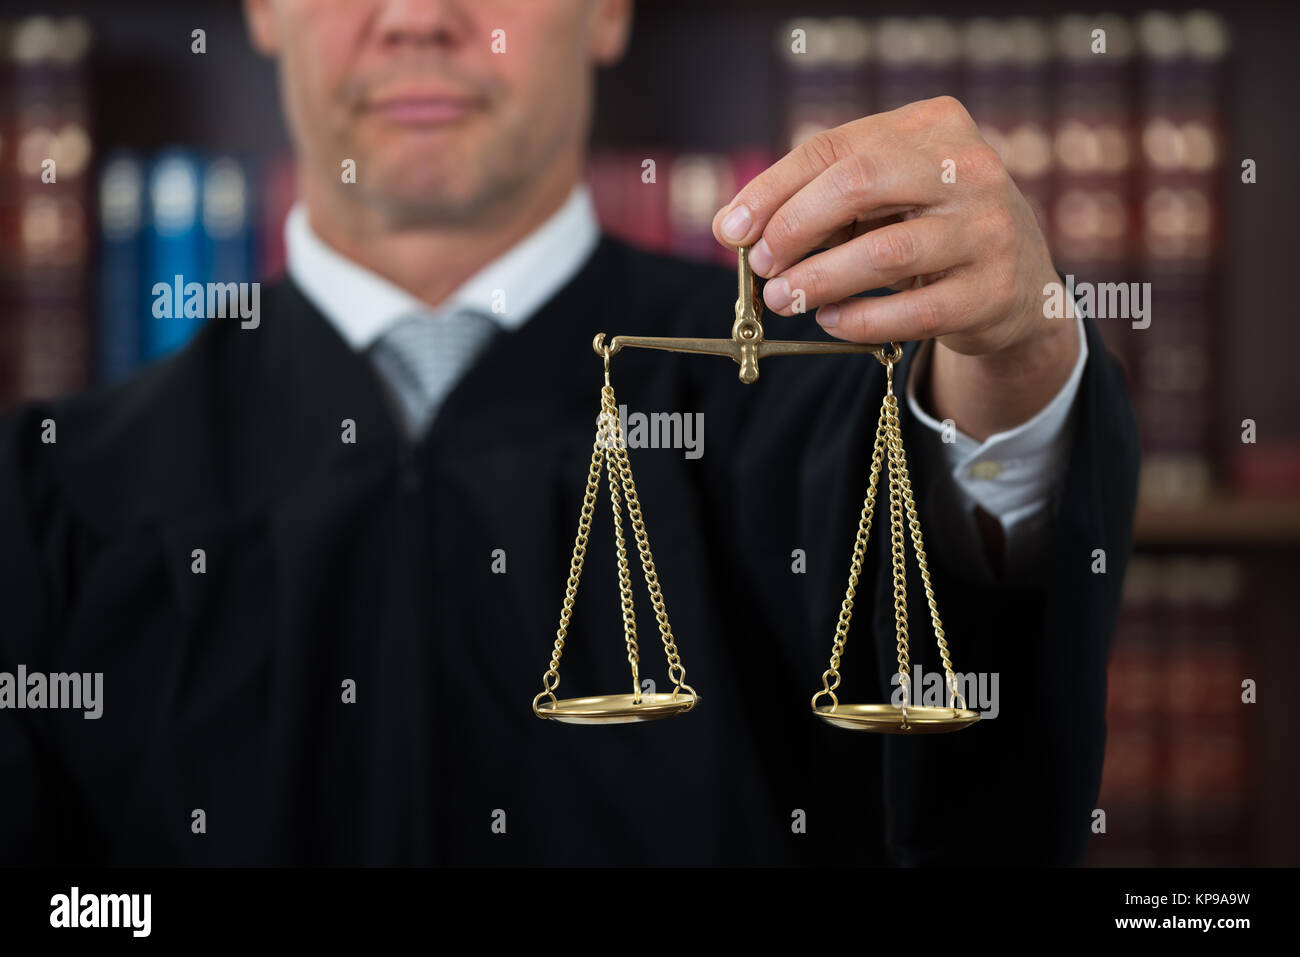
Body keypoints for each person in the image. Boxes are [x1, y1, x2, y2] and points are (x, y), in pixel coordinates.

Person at [0, 0, 1138, 866]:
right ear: (261, 10)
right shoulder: (54, 494)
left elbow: (984, 795)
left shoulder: (822, 400)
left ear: (606, 11)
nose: (418, 19)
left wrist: (1016, 355)